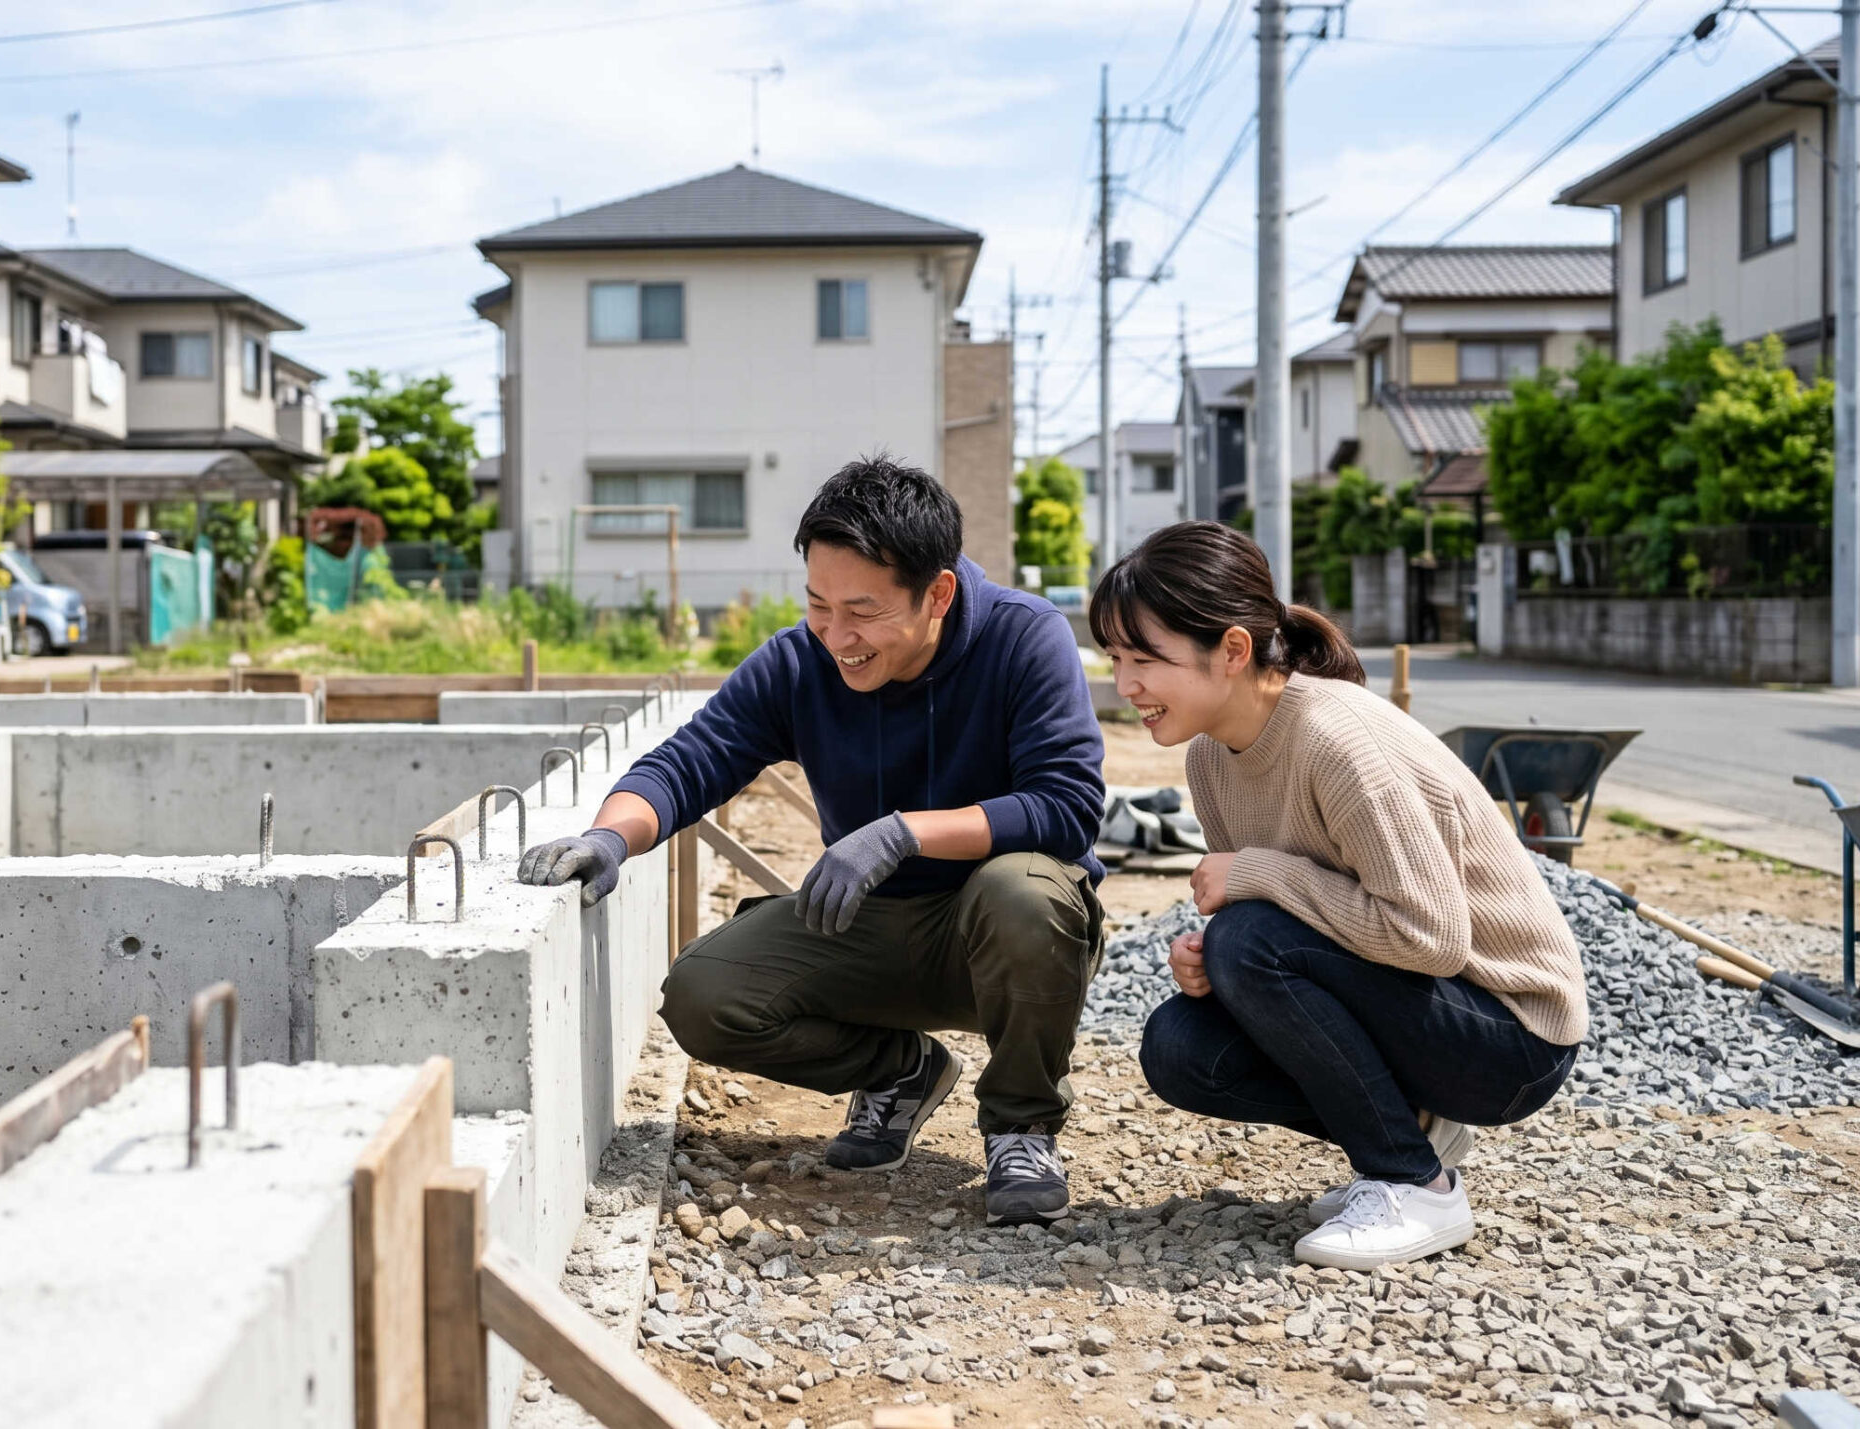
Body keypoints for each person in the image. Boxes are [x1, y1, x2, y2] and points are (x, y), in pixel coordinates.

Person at [517, 455, 1107, 1225]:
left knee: (1022, 890)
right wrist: (611, 835)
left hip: (1000, 932)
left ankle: (1021, 1126)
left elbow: (1067, 805)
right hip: (871, 925)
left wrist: (904, 834)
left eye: (861, 610)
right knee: (704, 997)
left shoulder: (1022, 639)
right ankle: (902, 1071)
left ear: (938, 593)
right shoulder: (802, 662)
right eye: (818, 604)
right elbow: (693, 760)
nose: (837, 634)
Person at [1089, 521, 1585, 1270]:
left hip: (1510, 1031)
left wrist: (1250, 891)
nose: (1125, 686)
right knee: (1180, 1047)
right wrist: (1210, 966)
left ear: (1230, 649)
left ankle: (1415, 1183)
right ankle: (1411, 1131)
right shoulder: (1212, 760)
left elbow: (1430, 937)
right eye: (1116, 659)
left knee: (1247, 939)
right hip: (1421, 1007)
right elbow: (1300, 930)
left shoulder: (1338, 740)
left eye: (1144, 659)